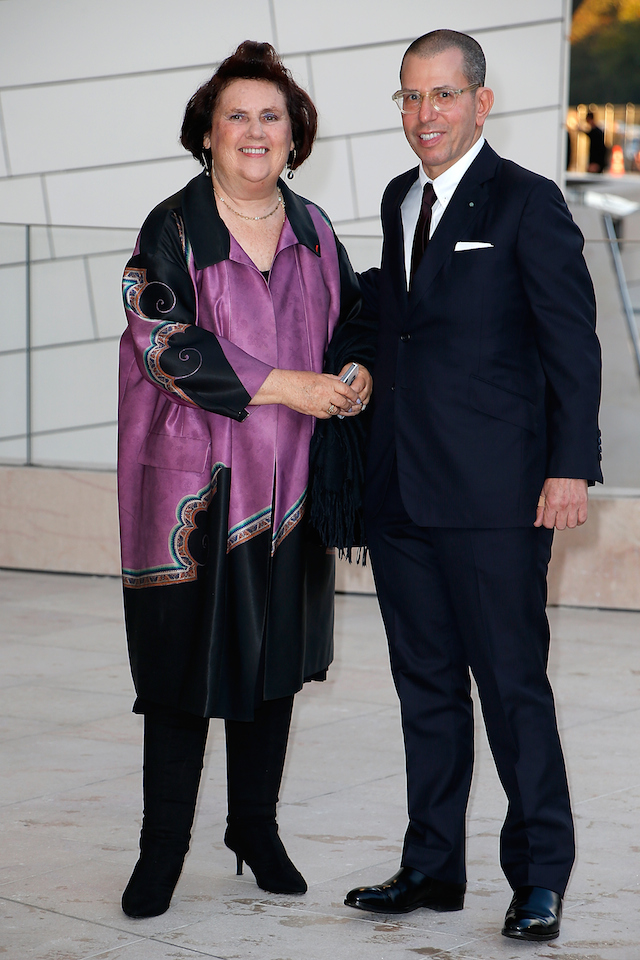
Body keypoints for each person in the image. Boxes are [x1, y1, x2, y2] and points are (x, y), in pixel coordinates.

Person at [343, 30, 602, 943]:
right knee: (425, 689)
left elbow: (573, 345)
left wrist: (570, 465)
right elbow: (395, 325)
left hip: (496, 493)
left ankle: (539, 877)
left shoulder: (530, 203)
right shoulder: (395, 197)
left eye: (443, 96)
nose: (425, 116)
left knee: (511, 687)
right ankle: (430, 866)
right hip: (402, 491)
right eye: (410, 99)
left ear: (481, 102)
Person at [118, 40, 372, 920]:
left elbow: (351, 327)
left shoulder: (317, 234)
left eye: (271, 116)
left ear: (294, 137)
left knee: (271, 668)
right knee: (181, 672)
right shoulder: (173, 230)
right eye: (237, 117)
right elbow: (162, 343)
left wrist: (356, 369)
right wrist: (283, 384)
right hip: (192, 496)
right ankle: (161, 851)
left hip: (292, 488)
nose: (255, 132)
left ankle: (253, 829)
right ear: (208, 137)